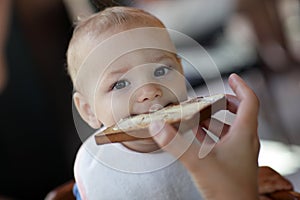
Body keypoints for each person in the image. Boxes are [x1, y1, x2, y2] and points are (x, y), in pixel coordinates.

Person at [67, 6, 292, 199]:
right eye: (119, 84)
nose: (149, 91)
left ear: (182, 72)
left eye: (161, 70)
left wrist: (249, 184)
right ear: (88, 111)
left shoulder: (204, 136)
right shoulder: (96, 169)